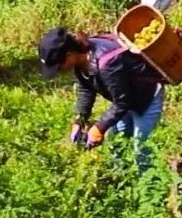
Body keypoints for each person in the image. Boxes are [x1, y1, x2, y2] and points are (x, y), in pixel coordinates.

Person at [38, 27, 167, 169]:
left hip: (146, 99)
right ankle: (123, 180)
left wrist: (99, 128)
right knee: (115, 142)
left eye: (59, 67)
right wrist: (79, 120)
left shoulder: (107, 64)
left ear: (69, 54)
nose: (59, 71)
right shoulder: (80, 61)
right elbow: (85, 88)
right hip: (127, 99)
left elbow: (122, 102)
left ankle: (150, 187)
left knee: (142, 151)